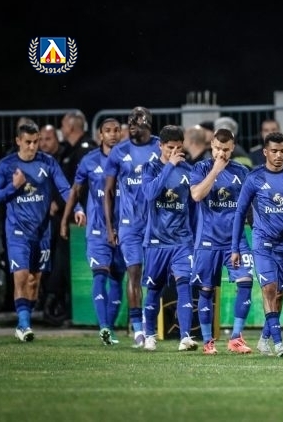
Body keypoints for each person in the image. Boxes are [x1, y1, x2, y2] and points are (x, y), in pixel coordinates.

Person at [0, 123, 82, 341]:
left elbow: (64, 188)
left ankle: (25, 320)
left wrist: (77, 208)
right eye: (28, 142)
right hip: (17, 232)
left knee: (34, 281)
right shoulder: (6, 165)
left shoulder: (48, 162)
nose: (32, 147)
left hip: (42, 232)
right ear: (18, 141)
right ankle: (24, 325)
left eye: (35, 142)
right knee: (21, 276)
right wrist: (14, 186)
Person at [231, 131, 283, 357]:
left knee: (280, 294)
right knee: (269, 289)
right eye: (274, 151)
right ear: (265, 152)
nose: (279, 156)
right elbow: (240, 212)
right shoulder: (254, 177)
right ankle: (279, 344)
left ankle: (264, 339)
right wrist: (235, 248)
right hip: (262, 242)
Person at [59, 118, 125, 345]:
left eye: (116, 130)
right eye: (108, 130)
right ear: (100, 135)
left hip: (123, 229)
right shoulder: (89, 160)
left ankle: (110, 329)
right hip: (97, 229)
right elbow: (75, 190)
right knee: (100, 273)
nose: (113, 134)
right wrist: (67, 217)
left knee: (117, 279)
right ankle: (104, 327)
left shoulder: (128, 160)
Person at [189, 128, 255, 355]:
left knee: (246, 282)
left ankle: (236, 337)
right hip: (208, 240)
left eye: (225, 149)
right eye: (217, 148)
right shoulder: (200, 168)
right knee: (206, 290)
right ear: (211, 146)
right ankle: (208, 341)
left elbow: (250, 206)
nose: (221, 153)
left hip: (236, 240)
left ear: (232, 148)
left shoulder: (242, 172)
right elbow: (197, 195)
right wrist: (216, 170)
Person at [103, 106, 161, 348]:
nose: (131, 125)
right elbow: (108, 192)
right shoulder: (119, 151)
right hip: (129, 225)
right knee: (134, 274)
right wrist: (110, 228)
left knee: (155, 278)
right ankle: (138, 331)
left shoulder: (160, 147)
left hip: (157, 225)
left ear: (148, 122)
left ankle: (150, 326)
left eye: (136, 121)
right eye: (130, 121)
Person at [139, 125, 197, 351]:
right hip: (156, 240)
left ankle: (185, 337)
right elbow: (149, 193)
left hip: (182, 241)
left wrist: (194, 236)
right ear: (160, 146)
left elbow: (194, 206)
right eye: (170, 148)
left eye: (178, 148)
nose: (174, 152)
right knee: (154, 289)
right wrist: (169, 166)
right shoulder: (150, 168)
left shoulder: (188, 171)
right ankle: (149, 335)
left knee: (184, 284)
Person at [37, 124, 71, 325]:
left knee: (59, 262)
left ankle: (55, 303)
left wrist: (57, 202)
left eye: (48, 139)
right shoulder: (35, 161)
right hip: (39, 221)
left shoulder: (64, 159)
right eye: (40, 140)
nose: (43, 144)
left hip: (60, 219)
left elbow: (70, 186)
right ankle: (45, 301)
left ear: (57, 140)